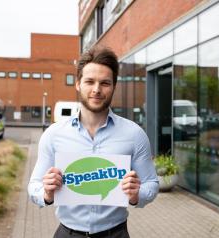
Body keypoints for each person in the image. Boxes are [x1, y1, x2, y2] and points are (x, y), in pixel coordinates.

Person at [28, 45, 159, 238]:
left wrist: (136, 194)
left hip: (116, 234)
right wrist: (46, 193)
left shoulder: (134, 134)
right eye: (90, 81)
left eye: (105, 83)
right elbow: (34, 186)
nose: (96, 90)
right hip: (68, 233)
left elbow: (152, 184)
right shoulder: (53, 134)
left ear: (114, 85)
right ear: (78, 84)